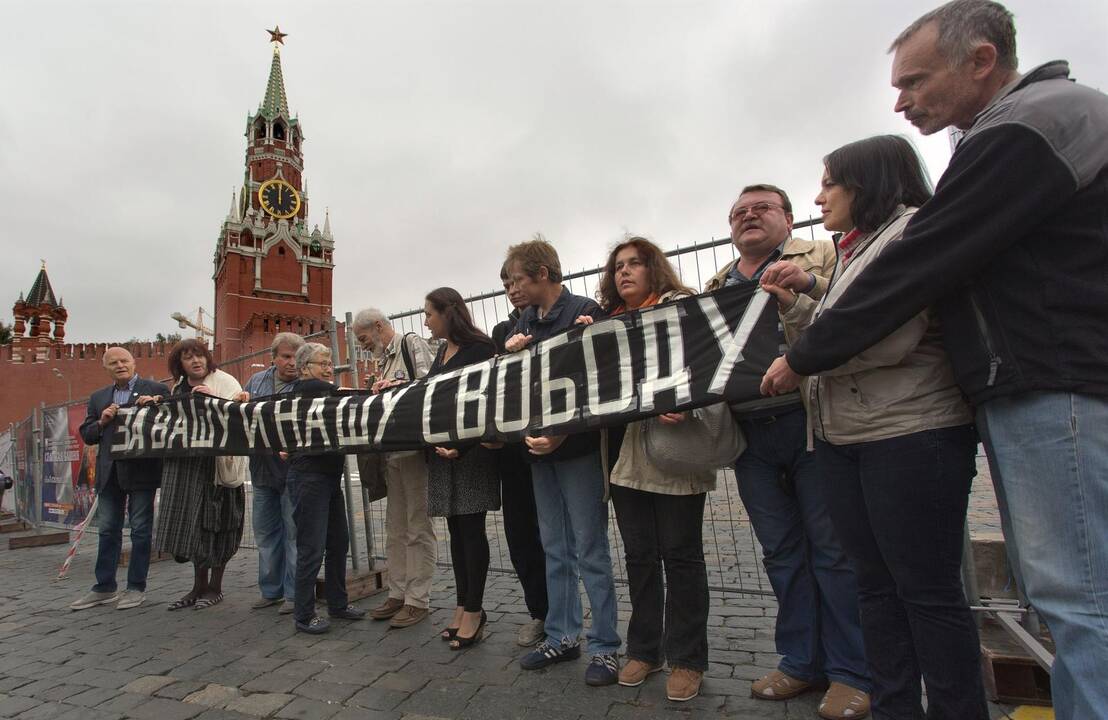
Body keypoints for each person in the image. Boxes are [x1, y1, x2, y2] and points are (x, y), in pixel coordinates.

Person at [760, 3, 1108, 717]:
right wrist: (814, 301)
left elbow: (917, 280)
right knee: (1030, 594)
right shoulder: (999, 140)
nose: (901, 100)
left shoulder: (1024, 128)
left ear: (980, 61)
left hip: (1036, 390)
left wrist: (807, 352)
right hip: (1006, 392)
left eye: (915, 81)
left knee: (1077, 600)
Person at [764, 135, 985, 718]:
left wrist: (800, 358)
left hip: (911, 432)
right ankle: (894, 707)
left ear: (866, 182)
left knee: (928, 594)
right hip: (847, 437)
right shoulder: (853, 249)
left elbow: (886, 332)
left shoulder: (912, 232)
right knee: (876, 589)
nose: (819, 196)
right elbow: (844, 321)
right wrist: (802, 301)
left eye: (829, 183)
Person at [704, 186, 870, 714]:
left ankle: (853, 671)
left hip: (810, 424)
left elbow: (860, 310)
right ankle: (801, 662)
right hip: (749, 439)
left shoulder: (823, 255)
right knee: (781, 553)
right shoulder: (715, 285)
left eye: (762, 208)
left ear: (789, 219)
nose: (748, 216)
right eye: (738, 212)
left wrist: (809, 287)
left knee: (833, 551)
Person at [589, 237, 714, 703]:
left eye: (634, 264)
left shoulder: (680, 306)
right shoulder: (607, 323)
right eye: (617, 266)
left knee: (681, 556)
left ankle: (686, 658)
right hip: (624, 455)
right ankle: (644, 649)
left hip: (672, 450)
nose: (623, 272)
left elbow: (702, 362)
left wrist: (684, 398)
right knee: (640, 556)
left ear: (654, 268)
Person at [503, 235, 621, 687]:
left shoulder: (585, 312)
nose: (512, 289)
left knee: (590, 548)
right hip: (538, 453)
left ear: (543, 275)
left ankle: (606, 645)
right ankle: (562, 635)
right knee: (554, 548)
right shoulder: (523, 323)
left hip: (576, 450)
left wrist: (563, 433)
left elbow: (598, 384)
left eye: (518, 279)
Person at [422, 287, 501, 650]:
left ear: (448, 313)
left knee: (471, 530)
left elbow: (486, 403)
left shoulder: (481, 349)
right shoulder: (441, 351)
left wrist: (463, 447)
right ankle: (461, 604)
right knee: (456, 530)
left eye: (430, 314)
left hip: (471, 453)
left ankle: (475, 609)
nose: (426, 320)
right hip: (444, 452)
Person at [352, 308, 437, 629]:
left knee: (417, 526)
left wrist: (393, 389)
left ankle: (418, 598)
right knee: (396, 528)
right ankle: (398, 592)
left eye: (363, 338)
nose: (362, 346)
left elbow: (429, 386)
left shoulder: (410, 344)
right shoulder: (384, 359)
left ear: (377, 326)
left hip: (413, 450)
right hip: (392, 452)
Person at [69, 347, 169, 611]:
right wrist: (102, 421)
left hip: (140, 471)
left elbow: (169, 421)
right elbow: (88, 435)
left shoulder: (156, 388)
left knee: (140, 530)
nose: (120, 365)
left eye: (124, 360)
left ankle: (136, 587)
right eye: (113, 363)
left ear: (134, 363)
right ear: (106, 368)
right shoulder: (99, 397)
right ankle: (104, 587)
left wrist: (154, 404)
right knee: (107, 530)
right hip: (109, 472)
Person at [153, 340, 247, 611]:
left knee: (219, 525)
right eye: (187, 357)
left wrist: (212, 401)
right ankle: (197, 586)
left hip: (219, 470)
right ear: (179, 364)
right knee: (196, 527)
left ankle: (215, 587)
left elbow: (236, 418)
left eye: (198, 355)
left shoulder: (226, 382)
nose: (195, 361)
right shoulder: (179, 388)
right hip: (191, 470)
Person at [284, 342, 366, 634]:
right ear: (306, 369)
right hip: (309, 478)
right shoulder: (308, 391)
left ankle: (338, 603)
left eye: (331, 362)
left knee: (338, 542)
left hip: (328, 477)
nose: (330, 367)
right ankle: (304, 615)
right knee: (312, 548)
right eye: (323, 363)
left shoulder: (325, 392)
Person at [490, 263, 548, 648]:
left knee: (558, 538)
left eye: (517, 281)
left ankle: (565, 614)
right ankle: (539, 613)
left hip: (552, 445)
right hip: (513, 452)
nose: (512, 289)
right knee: (522, 538)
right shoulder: (500, 333)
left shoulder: (557, 321)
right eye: (506, 284)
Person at [243, 332, 304, 614]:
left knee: (294, 534)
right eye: (286, 357)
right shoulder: (257, 381)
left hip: (294, 472)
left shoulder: (307, 384)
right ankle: (271, 591)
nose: (292, 363)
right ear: (274, 358)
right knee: (266, 533)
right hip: (262, 470)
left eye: (296, 356)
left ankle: (293, 595)